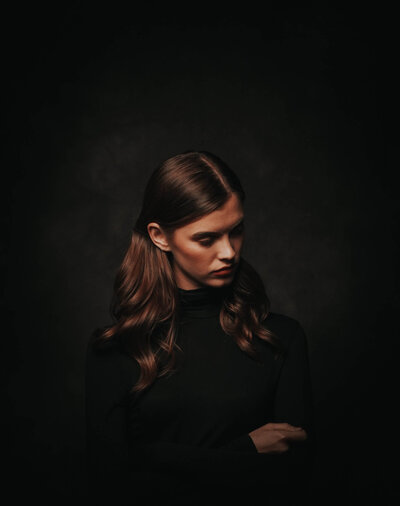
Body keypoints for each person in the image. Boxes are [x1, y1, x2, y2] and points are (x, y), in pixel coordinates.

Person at [85, 150, 316, 505]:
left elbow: (289, 481)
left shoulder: (281, 338)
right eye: (206, 239)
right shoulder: (115, 350)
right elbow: (112, 489)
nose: (229, 252)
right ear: (160, 236)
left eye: (236, 231)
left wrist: (152, 455)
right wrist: (245, 450)